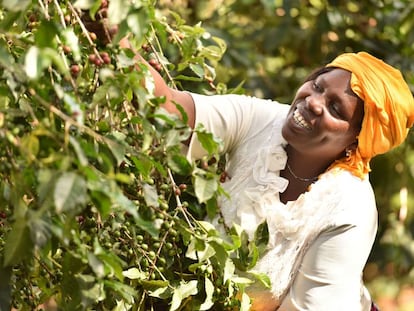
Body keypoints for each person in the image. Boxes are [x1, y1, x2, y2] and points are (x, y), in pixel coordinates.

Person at [120, 38, 414, 310]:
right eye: (318, 86)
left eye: (335, 108)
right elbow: (171, 113)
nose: (313, 102)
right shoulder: (261, 120)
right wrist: (114, 38)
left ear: (356, 140)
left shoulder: (350, 210)